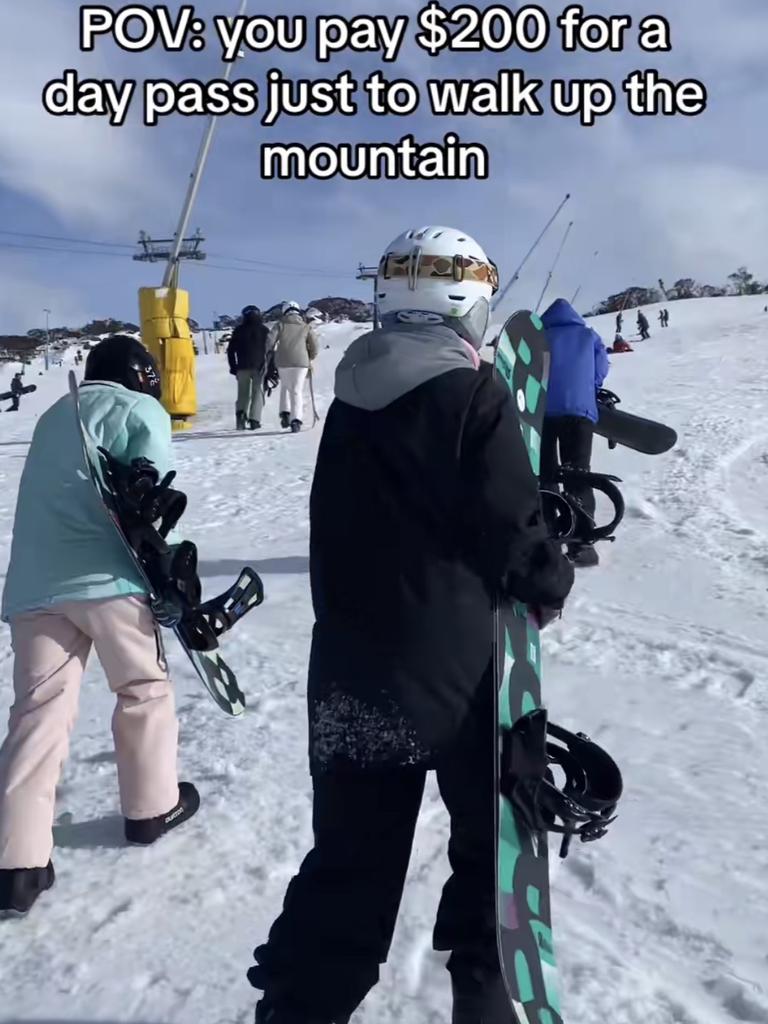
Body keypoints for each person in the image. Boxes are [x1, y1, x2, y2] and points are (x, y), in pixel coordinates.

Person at [247, 226, 575, 1024]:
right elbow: (510, 524)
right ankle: (483, 990)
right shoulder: (475, 391)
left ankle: (300, 1004)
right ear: (471, 303)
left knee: (350, 867)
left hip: (351, 674)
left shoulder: (350, 400)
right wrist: (549, 577)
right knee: (489, 853)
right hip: (456, 674)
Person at [0, 336, 199, 916]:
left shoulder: (52, 416)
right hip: (110, 581)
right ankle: (150, 808)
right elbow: (153, 501)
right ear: (143, 375)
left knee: (38, 715)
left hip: (34, 585)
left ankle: (18, 863)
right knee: (143, 691)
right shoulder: (140, 411)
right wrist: (176, 578)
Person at [540, 298, 610, 568]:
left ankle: (546, 537)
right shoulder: (588, 335)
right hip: (579, 414)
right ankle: (582, 543)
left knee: (545, 474)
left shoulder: (539, 336)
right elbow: (601, 368)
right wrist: (588, 387)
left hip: (542, 412)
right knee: (578, 473)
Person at [268, 302, 319, 432]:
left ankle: (285, 413)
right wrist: (311, 356)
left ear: (285, 312)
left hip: (282, 361)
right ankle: (296, 420)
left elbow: (269, 341)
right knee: (296, 390)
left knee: (285, 386)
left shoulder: (279, 325)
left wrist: (270, 354)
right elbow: (315, 345)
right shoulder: (305, 326)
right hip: (301, 362)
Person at [227, 306, 270, 430]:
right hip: (259, 367)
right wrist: (270, 368)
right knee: (258, 393)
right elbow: (270, 351)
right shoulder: (264, 330)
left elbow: (230, 351)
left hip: (242, 367)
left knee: (242, 394)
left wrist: (233, 367)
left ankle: (241, 416)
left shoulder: (239, 330)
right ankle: (254, 420)